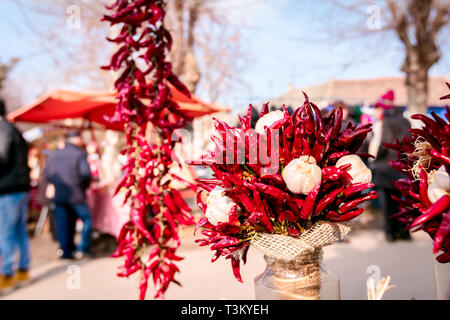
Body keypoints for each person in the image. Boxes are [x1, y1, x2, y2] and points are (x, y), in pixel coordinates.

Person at [368, 90, 411, 241]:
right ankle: (404, 232)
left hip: (386, 167)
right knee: (402, 202)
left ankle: (390, 232)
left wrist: (374, 158)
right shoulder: (405, 120)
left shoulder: (387, 121)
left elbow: (384, 143)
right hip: (402, 168)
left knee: (388, 202)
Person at [44, 130, 93, 259]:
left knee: (64, 223)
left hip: (59, 195)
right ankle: (83, 248)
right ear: (77, 139)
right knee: (86, 219)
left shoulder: (54, 155)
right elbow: (86, 174)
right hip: (76, 194)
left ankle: (66, 251)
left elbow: (47, 175)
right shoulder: (79, 153)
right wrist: (84, 186)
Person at [0, 99, 31, 292]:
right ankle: (23, 270)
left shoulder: (3, 130)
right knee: (19, 230)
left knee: (6, 232)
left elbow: (1, 157)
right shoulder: (14, 129)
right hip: (19, 188)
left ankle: (6, 274)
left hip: (7, 190)